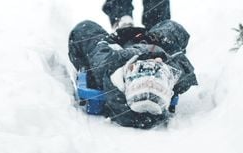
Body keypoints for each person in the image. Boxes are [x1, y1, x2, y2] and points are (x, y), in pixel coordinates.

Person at [68, 19, 197, 129]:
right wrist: (161, 57)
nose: (151, 66)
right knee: (173, 28)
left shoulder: (108, 69)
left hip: (118, 49)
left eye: (144, 70)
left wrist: (138, 51)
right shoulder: (172, 77)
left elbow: (100, 52)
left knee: (85, 28)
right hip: (149, 46)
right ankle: (148, 39)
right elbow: (186, 69)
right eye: (156, 71)